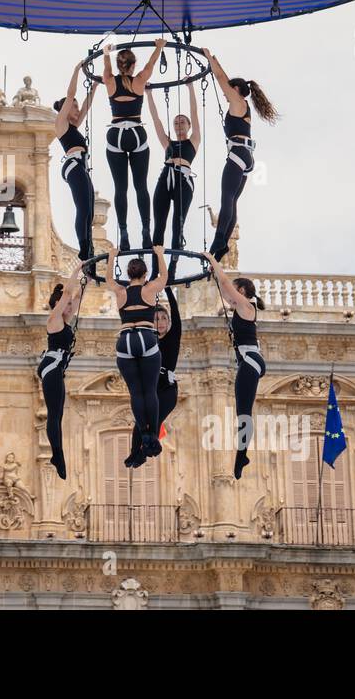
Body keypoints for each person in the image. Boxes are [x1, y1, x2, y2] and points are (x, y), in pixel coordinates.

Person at [203, 48, 278, 262]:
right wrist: (214, 61)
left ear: (235, 89)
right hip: (246, 156)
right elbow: (223, 77)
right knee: (232, 200)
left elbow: (220, 78)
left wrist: (208, 57)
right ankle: (223, 243)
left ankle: (219, 239)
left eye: (229, 90)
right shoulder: (242, 106)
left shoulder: (238, 102)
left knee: (227, 197)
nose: (225, 95)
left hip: (238, 153)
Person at [204, 251, 267, 479]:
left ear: (241, 291)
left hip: (250, 361)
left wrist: (212, 260)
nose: (230, 298)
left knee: (244, 413)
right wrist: (213, 276)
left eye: (234, 292)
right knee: (243, 412)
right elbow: (224, 291)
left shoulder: (246, 307)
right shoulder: (243, 309)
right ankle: (242, 455)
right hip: (251, 361)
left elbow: (225, 284)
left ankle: (242, 456)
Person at [104, 243, 167, 459]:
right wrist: (159, 254)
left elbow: (108, 278)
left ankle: (144, 433)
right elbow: (164, 277)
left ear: (128, 274)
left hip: (126, 341)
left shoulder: (120, 292)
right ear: (145, 274)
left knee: (136, 393)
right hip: (146, 337)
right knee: (150, 390)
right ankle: (153, 434)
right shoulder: (149, 290)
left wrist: (112, 257)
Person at [101, 38, 164, 251]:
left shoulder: (109, 81)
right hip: (137, 133)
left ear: (119, 65)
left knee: (121, 188)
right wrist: (159, 47)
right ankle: (146, 231)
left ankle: (124, 233)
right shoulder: (140, 80)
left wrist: (106, 53)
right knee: (141, 186)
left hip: (116, 135)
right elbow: (151, 64)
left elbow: (106, 67)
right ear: (133, 65)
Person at [37, 262, 88, 479]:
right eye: (64, 305)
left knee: (58, 414)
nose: (69, 308)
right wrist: (77, 270)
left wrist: (87, 280)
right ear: (58, 304)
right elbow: (68, 294)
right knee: (53, 413)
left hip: (56, 368)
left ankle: (58, 455)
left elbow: (76, 298)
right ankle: (57, 455)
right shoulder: (54, 319)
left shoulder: (65, 321)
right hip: (51, 367)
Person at [147, 80, 200, 279]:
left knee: (178, 224)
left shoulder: (193, 141)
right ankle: (155, 270)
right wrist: (149, 94)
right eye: (176, 123)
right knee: (159, 226)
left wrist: (190, 88)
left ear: (188, 126)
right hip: (166, 177)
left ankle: (173, 268)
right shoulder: (168, 143)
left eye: (182, 122)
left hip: (183, 180)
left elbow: (194, 112)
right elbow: (156, 120)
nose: (178, 125)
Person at [125, 284, 181, 468]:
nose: (161, 322)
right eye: (157, 318)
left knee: (155, 422)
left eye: (164, 318)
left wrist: (168, 290)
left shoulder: (173, 337)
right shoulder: (147, 339)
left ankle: (143, 453)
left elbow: (177, 316)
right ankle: (135, 453)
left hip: (167, 389)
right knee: (140, 423)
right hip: (150, 387)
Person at [53, 62, 99, 263]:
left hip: (81, 166)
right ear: (65, 108)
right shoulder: (61, 125)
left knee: (89, 209)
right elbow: (70, 94)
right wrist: (77, 69)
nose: (78, 109)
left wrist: (95, 85)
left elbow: (87, 106)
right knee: (82, 207)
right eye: (74, 106)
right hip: (73, 165)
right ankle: (84, 248)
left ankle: (89, 248)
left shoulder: (74, 126)